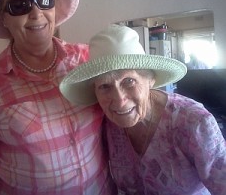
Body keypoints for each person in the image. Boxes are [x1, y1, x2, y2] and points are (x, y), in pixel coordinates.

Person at [0, 0, 116, 194]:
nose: (36, 13)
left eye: (44, 1)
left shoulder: (86, 59)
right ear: (3, 18)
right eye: (20, 6)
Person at [60, 24, 226, 195]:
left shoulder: (194, 123)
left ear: (150, 79)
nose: (119, 100)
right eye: (104, 86)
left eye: (129, 81)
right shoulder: (108, 123)